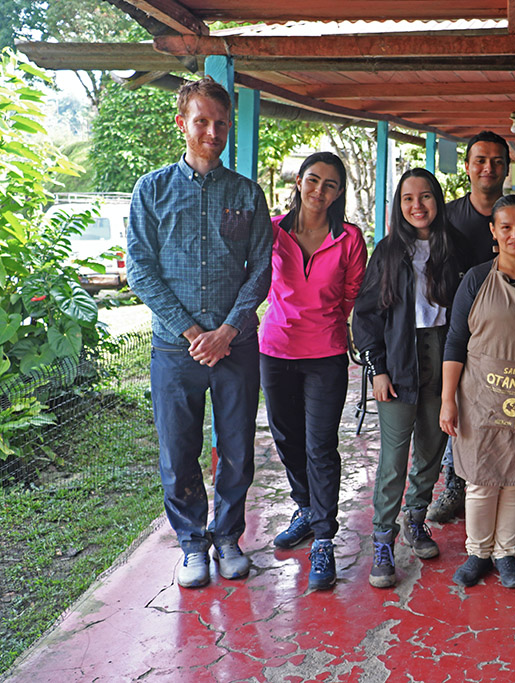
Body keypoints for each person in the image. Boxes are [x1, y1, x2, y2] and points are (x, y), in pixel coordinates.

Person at [126, 77, 272, 588]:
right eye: (202, 121)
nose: (213, 131)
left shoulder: (247, 194)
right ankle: (192, 543)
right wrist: (194, 331)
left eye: (221, 122)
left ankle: (228, 537)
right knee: (178, 448)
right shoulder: (152, 190)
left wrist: (228, 330)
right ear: (182, 123)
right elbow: (140, 269)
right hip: (175, 348)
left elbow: (260, 271)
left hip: (236, 347)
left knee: (236, 446)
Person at [428, 131, 515, 524]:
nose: (488, 168)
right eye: (480, 160)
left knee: (514, 433)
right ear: (467, 166)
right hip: (460, 325)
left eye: (497, 161)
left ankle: (508, 532)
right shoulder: (448, 217)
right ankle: (455, 483)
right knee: (468, 427)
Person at [259, 152, 367, 591]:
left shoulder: (349, 238)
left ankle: (323, 537)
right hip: (276, 350)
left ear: (340, 192)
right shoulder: (272, 231)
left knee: (320, 445)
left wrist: (326, 322)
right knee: (286, 439)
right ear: (299, 181)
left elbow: (351, 292)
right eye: (313, 180)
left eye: (330, 185)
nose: (319, 191)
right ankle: (304, 508)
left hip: (324, 353)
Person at [352, 169, 464, 589]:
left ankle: (416, 519)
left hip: (442, 355)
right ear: (399, 206)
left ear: (437, 200)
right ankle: (384, 539)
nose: (417, 206)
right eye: (407, 199)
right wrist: (376, 368)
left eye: (426, 197)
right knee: (394, 457)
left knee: (433, 447)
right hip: (399, 358)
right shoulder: (387, 252)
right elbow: (365, 316)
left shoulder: (453, 249)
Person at [439, 195, 515, 589]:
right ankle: (478, 552)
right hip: (480, 397)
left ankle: (506, 552)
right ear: (493, 231)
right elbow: (455, 342)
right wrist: (447, 399)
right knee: (482, 479)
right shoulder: (475, 279)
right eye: (505, 226)